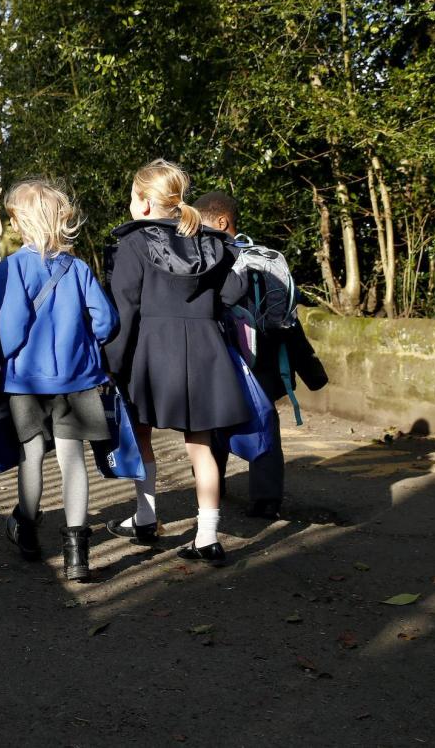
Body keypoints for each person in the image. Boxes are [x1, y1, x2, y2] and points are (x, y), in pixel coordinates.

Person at [103, 160, 250, 565]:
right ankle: (207, 536)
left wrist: (112, 362)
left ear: (146, 203)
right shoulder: (213, 243)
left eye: (133, 197)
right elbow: (233, 292)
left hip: (149, 353)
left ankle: (146, 518)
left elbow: (125, 309)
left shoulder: (132, 244)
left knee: (141, 434)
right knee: (201, 448)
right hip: (204, 352)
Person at [0, 179, 118, 581]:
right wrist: (88, 342)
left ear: (22, 222)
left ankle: (28, 533)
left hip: (26, 381)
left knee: (30, 456)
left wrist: (1, 360)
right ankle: (77, 556)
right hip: (77, 379)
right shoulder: (78, 268)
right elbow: (107, 321)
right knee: (72, 460)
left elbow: (9, 326)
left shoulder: (12, 267)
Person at [193, 189, 328, 519]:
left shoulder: (208, 258)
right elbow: (287, 319)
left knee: (211, 422)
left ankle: (212, 486)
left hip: (222, 355)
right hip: (265, 356)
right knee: (265, 421)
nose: (196, 231)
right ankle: (267, 499)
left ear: (222, 221)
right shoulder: (265, 258)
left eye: (202, 224)